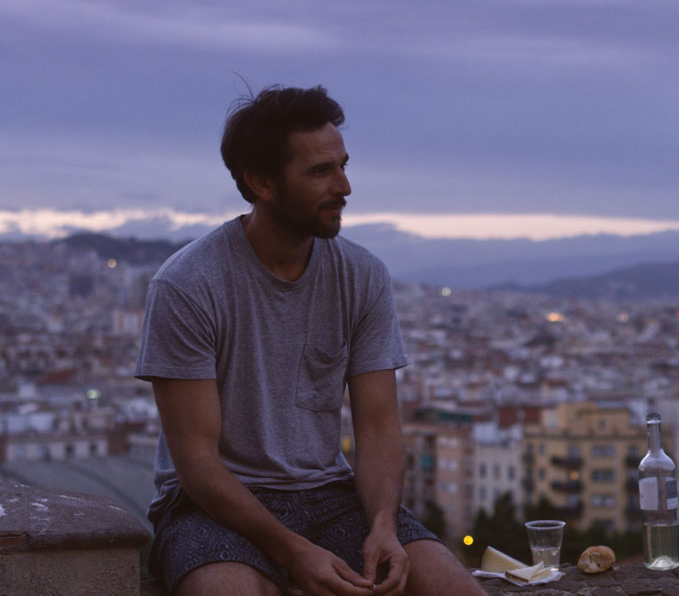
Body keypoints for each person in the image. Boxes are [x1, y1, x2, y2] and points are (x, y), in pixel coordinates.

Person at [136, 85, 486, 596]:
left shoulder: (361, 275)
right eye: (321, 171)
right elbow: (196, 463)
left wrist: (383, 526)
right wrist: (291, 550)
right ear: (262, 183)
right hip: (209, 506)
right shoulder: (188, 284)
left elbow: (378, 428)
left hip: (329, 495)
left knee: (452, 587)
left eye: (343, 165)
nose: (345, 186)